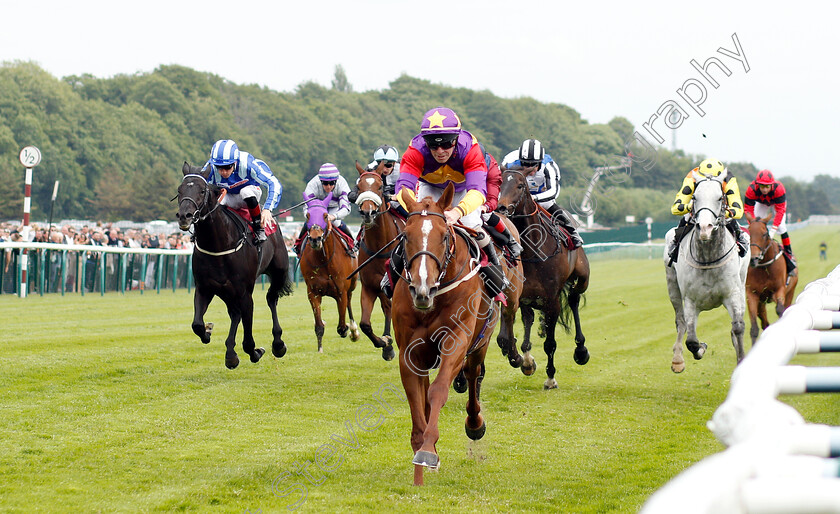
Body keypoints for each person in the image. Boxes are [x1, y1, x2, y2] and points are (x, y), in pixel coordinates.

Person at [380, 106, 509, 303]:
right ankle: (390, 277)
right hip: (429, 187)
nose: (440, 151)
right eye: (433, 145)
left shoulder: (470, 149)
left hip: (465, 190)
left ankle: (496, 276)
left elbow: (477, 191)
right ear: (425, 142)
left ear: (456, 139)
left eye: (447, 144)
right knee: (415, 228)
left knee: (473, 226)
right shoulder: (415, 149)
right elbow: (403, 188)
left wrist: (457, 212)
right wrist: (414, 209)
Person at [501, 139, 584, 248]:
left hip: (541, 194)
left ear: (540, 161)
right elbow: (500, 184)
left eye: (533, 165)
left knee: (550, 205)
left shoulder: (549, 166)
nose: (529, 169)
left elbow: (553, 191)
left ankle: (573, 232)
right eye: (525, 164)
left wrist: (534, 197)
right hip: (517, 195)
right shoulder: (509, 162)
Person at [666, 158, 748, 266]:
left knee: (731, 220)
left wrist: (723, 212)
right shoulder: (692, 178)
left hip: (720, 210)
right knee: (686, 218)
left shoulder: (728, 179)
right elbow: (676, 208)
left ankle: (740, 239)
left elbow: (738, 211)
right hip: (697, 208)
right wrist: (692, 207)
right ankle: (676, 244)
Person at [203, 139, 282, 244]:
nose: (223, 172)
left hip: (250, 193)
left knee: (245, 191)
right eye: (219, 168)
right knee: (214, 199)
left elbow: (274, 183)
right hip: (228, 196)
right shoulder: (210, 167)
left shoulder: (248, 165)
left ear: (235, 162)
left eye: (227, 167)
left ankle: (259, 228)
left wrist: (267, 209)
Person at [744, 169, 796, 275]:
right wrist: (754, 225)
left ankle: (789, 256)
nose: (764, 189)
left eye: (767, 186)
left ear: (772, 185)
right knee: (756, 226)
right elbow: (748, 210)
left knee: (781, 228)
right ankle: (749, 254)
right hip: (761, 203)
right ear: (757, 184)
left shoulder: (779, 189)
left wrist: (773, 230)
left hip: (776, 204)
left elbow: (780, 211)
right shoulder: (751, 189)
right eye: (762, 186)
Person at [294, 163, 354, 255]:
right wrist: (310, 216)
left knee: (336, 222)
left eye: (332, 183)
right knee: (309, 223)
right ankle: (298, 246)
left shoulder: (342, 184)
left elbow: (345, 208)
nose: (329, 186)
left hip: (335, 207)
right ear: (320, 181)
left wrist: (334, 216)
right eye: (325, 183)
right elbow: (306, 208)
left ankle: (352, 244)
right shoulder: (312, 185)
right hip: (316, 208)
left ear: (336, 181)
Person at [480, 144, 523, 259]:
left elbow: (493, 197)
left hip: (482, 198)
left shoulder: (492, 171)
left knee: (486, 215)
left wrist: (486, 207)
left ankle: (511, 242)